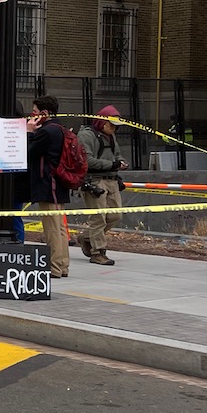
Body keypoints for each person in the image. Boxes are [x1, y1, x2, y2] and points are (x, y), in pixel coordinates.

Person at [77, 105, 127, 267]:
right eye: (112, 125)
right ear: (102, 122)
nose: (115, 129)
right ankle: (98, 252)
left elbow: (117, 154)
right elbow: (87, 161)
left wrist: (119, 163)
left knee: (115, 216)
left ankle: (86, 238)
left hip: (111, 180)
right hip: (94, 181)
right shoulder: (86, 135)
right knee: (98, 218)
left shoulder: (110, 136)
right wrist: (113, 164)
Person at [25, 94, 70, 278]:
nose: (32, 115)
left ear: (44, 113)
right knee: (59, 227)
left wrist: (29, 132)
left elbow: (28, 151)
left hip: (47, 183)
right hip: (58, 183)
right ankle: (63, 265)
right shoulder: (60, 128)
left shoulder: (46, 132)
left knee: (51, 227)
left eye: (34, 111)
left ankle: (54, 267)